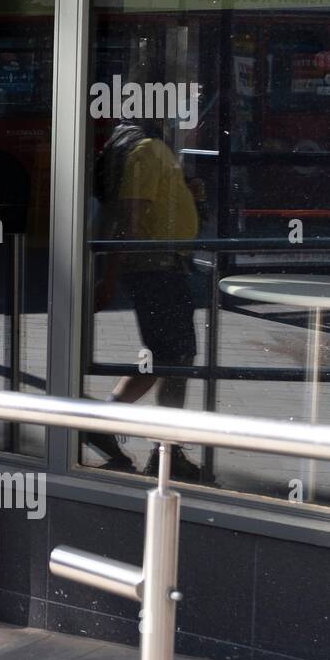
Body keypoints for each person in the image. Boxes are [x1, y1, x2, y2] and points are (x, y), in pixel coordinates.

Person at [91, 111, 203, 481]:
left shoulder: (151, 149)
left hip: (161, 266)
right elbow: (129, 220)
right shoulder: (149, 150)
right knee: (176, 356)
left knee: (169, 355)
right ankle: (164, 452)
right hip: (158, 268)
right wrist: (108, 279)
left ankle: (105, 422)